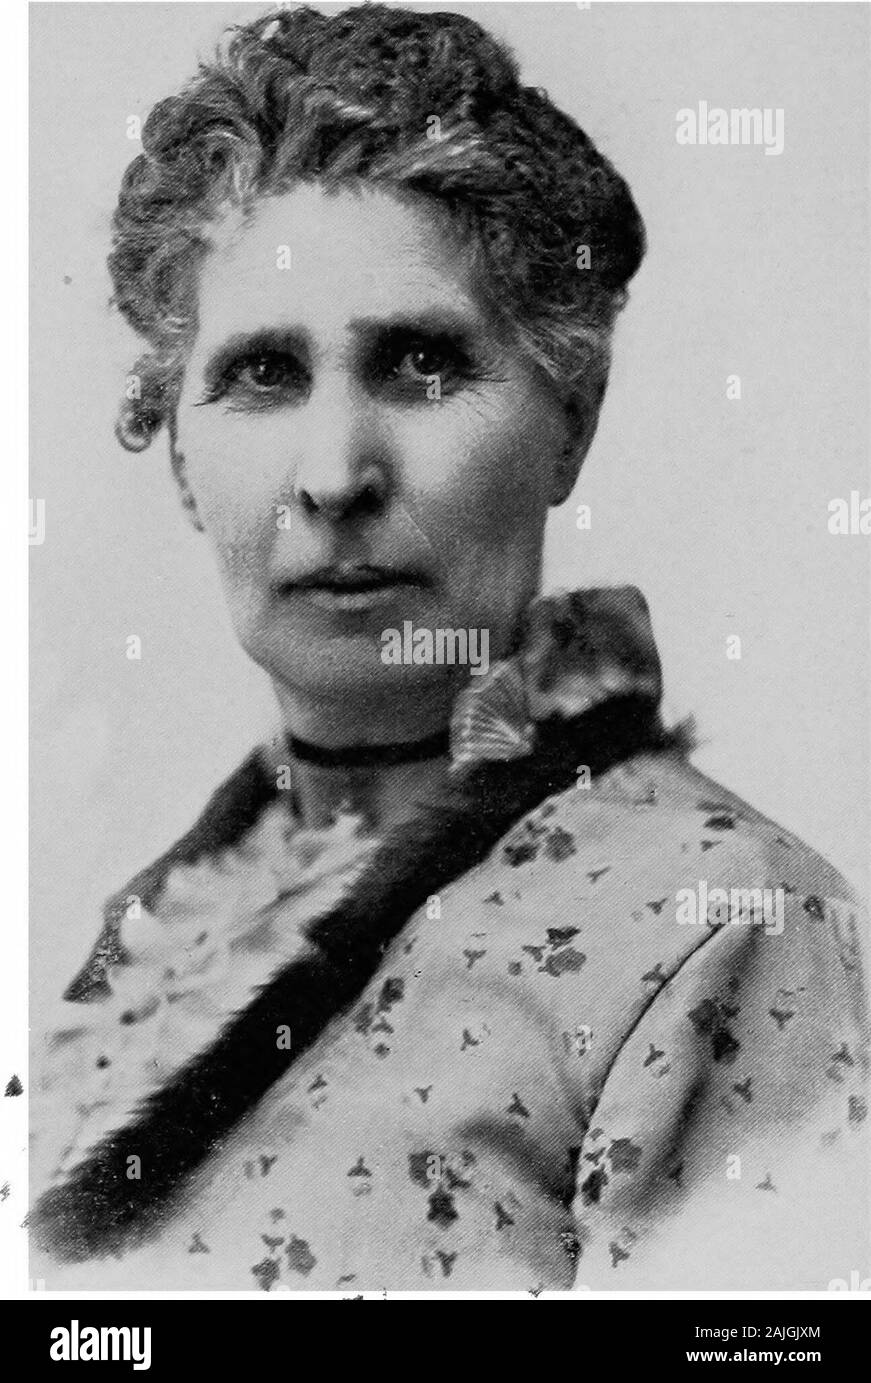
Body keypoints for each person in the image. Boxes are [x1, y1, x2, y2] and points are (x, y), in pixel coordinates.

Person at [30, 4, 868, 1291]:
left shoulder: (720, 924)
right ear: (182, 457)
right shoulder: (144, 937)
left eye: (421, 365)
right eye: (262, 374)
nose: (334, 474)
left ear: (569, 419)